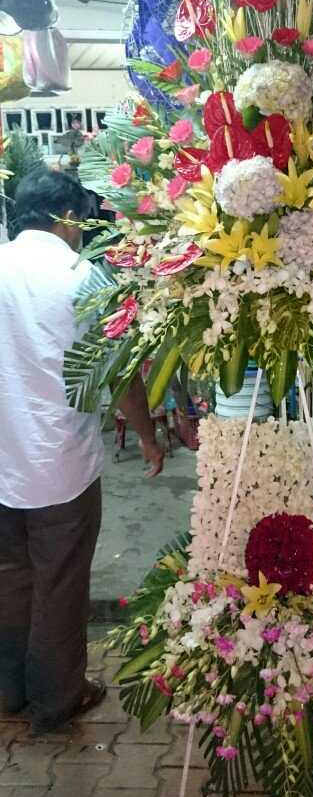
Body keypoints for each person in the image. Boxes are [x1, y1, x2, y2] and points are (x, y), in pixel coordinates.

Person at [0, 168, 163, 732]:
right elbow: (121, 374)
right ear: (68, 218)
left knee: (10, 577)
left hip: (2, 464)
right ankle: (56, 700)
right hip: (58, 465)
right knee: (60, 583)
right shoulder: (83, 277)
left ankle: (9, 692)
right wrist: (147, 436)